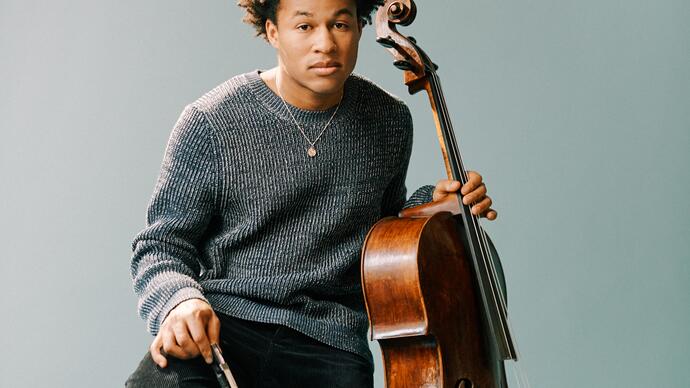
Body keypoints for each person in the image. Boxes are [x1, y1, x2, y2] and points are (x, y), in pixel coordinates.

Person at [125, 0, 498, 386]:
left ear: (359, 27)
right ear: (273, 32)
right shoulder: (212, 121)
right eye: (304, 27)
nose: (326, 43)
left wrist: (433, 205)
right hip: (228, 326)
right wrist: (180, 302)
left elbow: (381, 233)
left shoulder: (389, 121)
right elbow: (161, 245)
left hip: (330, 346)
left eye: (340, 24)